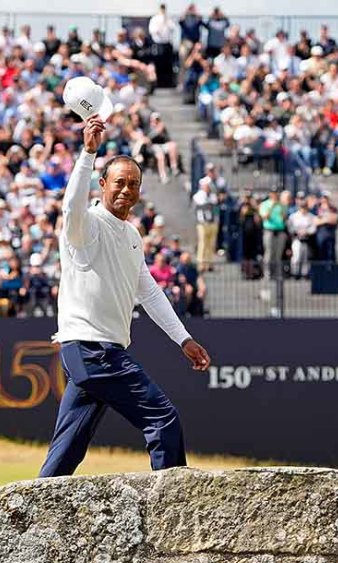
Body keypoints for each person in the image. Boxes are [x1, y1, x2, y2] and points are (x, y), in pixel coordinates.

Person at [39, 115, 211, 478]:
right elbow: (71, 209)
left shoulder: (131, 234)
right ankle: (173, 510)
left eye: (134, 184)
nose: (126, 190)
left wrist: (184, 338)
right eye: (119, 182)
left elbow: (148, 291)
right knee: (163, 419)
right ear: (102, 184)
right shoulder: (86, 227)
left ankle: (28, 520)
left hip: (95, 352)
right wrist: (88, 152)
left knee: (67, 449)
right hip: (93, 349)